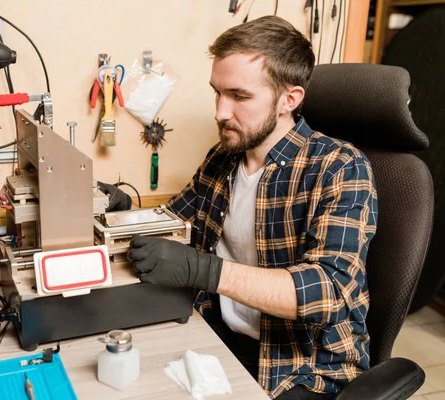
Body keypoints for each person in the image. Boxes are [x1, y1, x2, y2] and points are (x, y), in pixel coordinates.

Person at [112, 16, 378, 400]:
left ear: (290, 99)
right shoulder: (224, 157)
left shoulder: (341, 167)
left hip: (303, 368)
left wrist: (204, 270)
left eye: (239, 96)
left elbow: (329, 291)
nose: (220, 112)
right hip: (217, 336)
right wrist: (122, 211)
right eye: (217, 93)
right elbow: (172, 224)